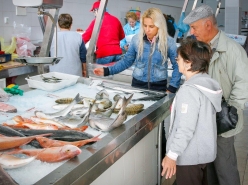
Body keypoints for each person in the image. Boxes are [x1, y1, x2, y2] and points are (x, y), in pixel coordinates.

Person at [183, 4, 248, 185]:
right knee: (209, 169)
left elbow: (243, 83)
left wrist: (230, 111)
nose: (192, 31)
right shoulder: (200, 49)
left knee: (225, 169)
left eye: (194, 27)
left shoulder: (233, 51)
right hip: (203, 120)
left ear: (208, 25)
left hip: (222, 121)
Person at [161, 38, 223, 185]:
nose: (177, 61)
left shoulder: (189, 90)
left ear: (189, 63)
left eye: (179, 58)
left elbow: (186, 128)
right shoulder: (208, 83)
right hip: (204, 154)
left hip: (190, 157)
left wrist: (171, 155)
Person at [93, 7, 181, 93]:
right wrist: (107, 70)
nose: (147, 30)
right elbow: (126, 61)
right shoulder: (136, 40)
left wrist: (172, 87)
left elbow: (178, 65)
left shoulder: (168, 42)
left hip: (158, 86)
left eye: (151, 26)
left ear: (159, 26)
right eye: (145, 25)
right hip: (138, 84)